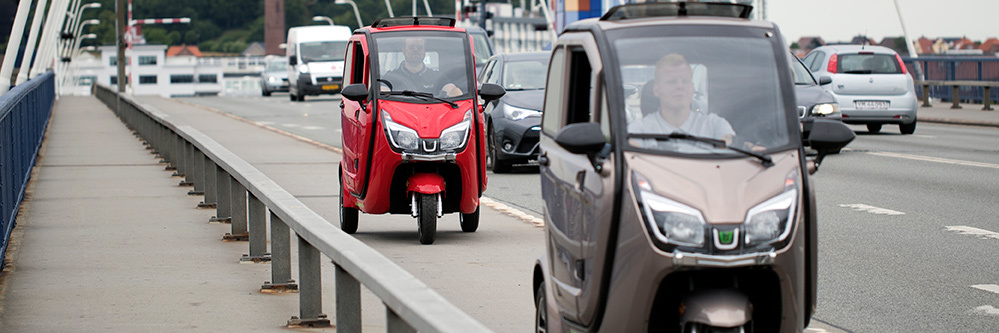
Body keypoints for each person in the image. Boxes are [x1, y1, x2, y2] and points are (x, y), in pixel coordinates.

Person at [628, 53, 735, 149]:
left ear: (692, 88)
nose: (680, 86)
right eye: (672, 82)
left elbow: (734, 150)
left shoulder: (715, 125)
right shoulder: (639, 129)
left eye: (685, 81)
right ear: (656, 90)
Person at [384, 38, 463, 97]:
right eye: (411, 47)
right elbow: (382, 91)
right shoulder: (392, 76)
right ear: (403, 50)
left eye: (420, 47)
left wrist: (457, 94)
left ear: (425, 51)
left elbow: (451, 89)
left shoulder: (436, 76)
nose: (415, 50)